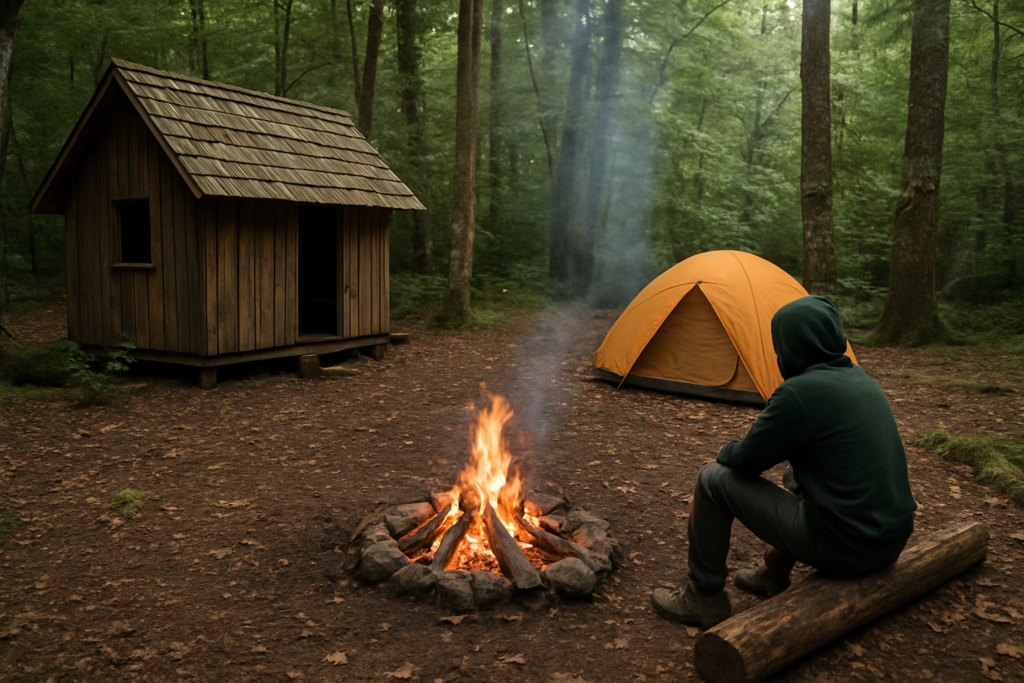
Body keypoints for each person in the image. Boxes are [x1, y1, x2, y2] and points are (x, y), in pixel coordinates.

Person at [651, 295, 917, 629]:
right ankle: (772, 574)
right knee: (800, 473)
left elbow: (747, 459)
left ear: (791, 346)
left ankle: (703, 598)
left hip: (847, 548)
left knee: (712, 479)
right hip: (890, 541)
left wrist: (727, 449)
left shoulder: (801, 391)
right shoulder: (863, 381)